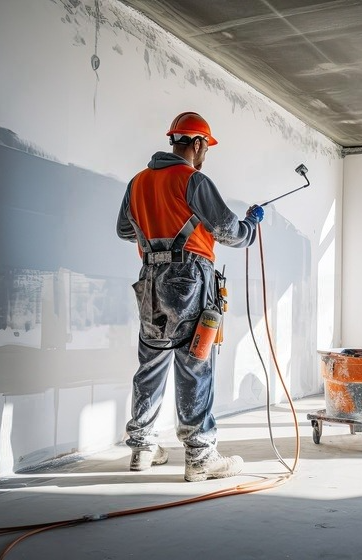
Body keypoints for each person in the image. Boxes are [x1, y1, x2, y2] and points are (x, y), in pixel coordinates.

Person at [116, 111, 264, 481]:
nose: (204, 154)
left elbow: (123, 230)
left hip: (150, 278)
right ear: (197, 144)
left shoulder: (137, 182)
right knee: (195, 363)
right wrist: (251, 226)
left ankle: (142, 448)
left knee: (150, 363)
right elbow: (229, 230)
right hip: (190, 280)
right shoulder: (193, 180)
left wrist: (159, 235)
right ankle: (200, 456)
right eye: (205, 148)